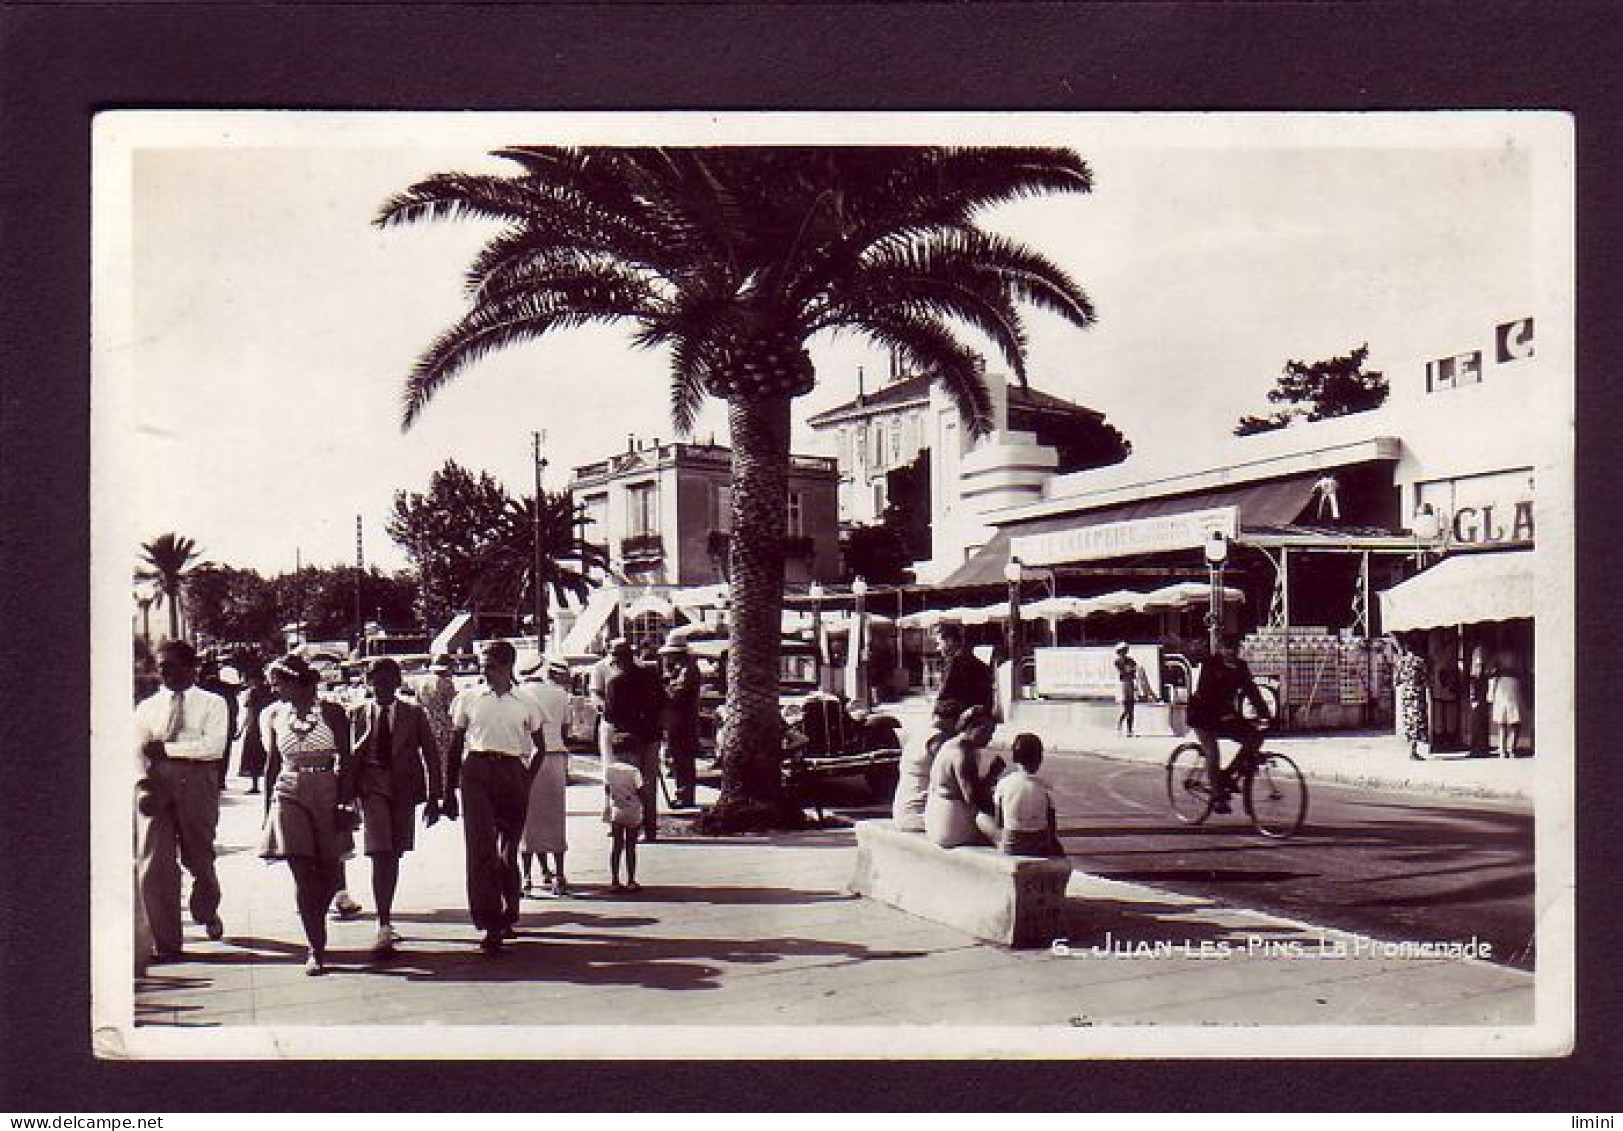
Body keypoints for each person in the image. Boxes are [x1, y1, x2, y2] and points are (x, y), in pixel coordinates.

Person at [444, 640, 548, 954]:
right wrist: (449, 790)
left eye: (489, 665)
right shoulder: (469, 697)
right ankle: (489, 924)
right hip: (476, 771)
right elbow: (455, 746)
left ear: (506, 667)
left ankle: (509, 911)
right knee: (480, 850)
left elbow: (541, 746)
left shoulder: (526, 701)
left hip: (512, 772)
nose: (483, 671)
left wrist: (526, 780)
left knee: (508, 850)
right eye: (482, 665)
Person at [133, 639, 231, 962]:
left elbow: (214, 746)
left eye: (174, 666)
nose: (167, 673)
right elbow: (137, 746)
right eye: (162, 668)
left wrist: (170, 750)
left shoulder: (212, 703)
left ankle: (207, 909)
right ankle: (168, 943)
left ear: (192, 667)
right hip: (156, 786)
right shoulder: (148, 708)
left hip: (197, 782)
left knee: (199, 858)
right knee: (155, 863)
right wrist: (143, 782)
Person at [258, 653, 355, 976]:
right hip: (288, 793)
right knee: (301, 872)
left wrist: (345, 802)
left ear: (298, 682)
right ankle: (316, 948)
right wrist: (265, 813)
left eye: (280, 683)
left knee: (328, 872)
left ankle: (316, 920)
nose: (275, 690)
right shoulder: (274, 715)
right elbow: (272, 763)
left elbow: (348, 760)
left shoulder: (332, 712)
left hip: (327, 789)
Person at [347, 658, 443, 955]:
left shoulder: (413, 713)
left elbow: (430, 753)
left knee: (395, 853)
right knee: (379, 852)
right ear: (368, 683)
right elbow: (348, 759)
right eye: (376, 682)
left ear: (398, 683)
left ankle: (386, 916)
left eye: (388, 682)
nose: (382, 688)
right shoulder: (357, 714)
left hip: (404, 790)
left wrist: (434, 797)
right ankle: (383, 922)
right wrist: (347, 798)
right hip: (372, 788)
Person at [1187, 635, 1273, 814]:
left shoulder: (1241, 667)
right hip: (1203, 714)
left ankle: (1227, 775)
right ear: (1220, 649)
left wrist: (1266, 714)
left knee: (1255, 737)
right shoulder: (1211, 665)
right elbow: (1208, 695)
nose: (1231, 652)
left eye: (1235, 648)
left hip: (1225, 714)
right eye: (1227, 648)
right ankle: (1217, 796)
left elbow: (1252, 691)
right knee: (1212, 752)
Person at [601, 638, 666, 843]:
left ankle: (632, 828)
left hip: (628, 739)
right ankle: (650, 829)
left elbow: (610, 715)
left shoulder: (615, 684)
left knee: (629, 786)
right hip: (651, 736)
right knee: (649, 785)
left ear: (618, 661)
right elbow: (663, 703)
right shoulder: (651, 677)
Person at [519, 658, 573, 897]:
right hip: (554, 758)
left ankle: (528, 877)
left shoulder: (519, 695)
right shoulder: (560, 694)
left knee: (527, 818)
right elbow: (565, 730)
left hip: (527, 759)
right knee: (554, 818)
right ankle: (559, 875)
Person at [923, 706, 1004, 848]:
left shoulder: (948, 745)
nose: (990, 738)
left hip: (934, 818)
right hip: (950, 825)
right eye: (986, 732)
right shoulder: (962, 754)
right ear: (972, 727)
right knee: (998, 833)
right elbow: (974, 800)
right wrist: (993, 774)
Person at [892, 697, 961, 832]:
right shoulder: (938, 739)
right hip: (918, 813)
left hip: (904, 810)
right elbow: (952, 777)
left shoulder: (920, 733)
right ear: (954, 721)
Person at [994, 733, 1063, 857]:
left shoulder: (1003, 783)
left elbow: (999, 822)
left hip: (1012, 846)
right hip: (1039, 846)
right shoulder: (1045, 786)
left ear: (1014, 758)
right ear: (1040, 759)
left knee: (981, 817)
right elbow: (1052, 825)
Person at [659, 636, 703, 809]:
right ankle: (683, 792)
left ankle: (685, 795)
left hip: (683, 721)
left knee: (683, 758)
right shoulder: (680, 669)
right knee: (679, 758)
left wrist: (663, 689)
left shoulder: (688, 670)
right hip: (678, 720)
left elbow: (677, 694)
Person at [602, 753, 644, 893]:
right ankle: (631, 881)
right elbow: (640, 790)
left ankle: (614, 881)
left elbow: (607, 788)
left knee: (616, 846)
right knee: (631, 847)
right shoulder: (634, 771)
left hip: (616, 810)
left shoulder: (610, 769)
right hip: (632, 810)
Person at [933, 623, 995, 716]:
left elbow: (943, 695)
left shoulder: (956, 662)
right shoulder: (969, 658)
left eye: (939, 644)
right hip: (982, 710)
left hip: (969, 712)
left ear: (949, 641)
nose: (938, 648)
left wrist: (936, 708)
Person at [412, 653, 460, 758]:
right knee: (445, 761)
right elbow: (452, 707)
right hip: (443, 728)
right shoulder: (446, 683)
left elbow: (418, 704)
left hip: (426, 726)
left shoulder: (421, 683)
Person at [236, 665, 274, 794]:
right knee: (270, 756)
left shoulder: (252, 693)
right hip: (269, 725)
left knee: (253, 757)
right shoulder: (271, 692)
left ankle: (255, 785)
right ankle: (271, 784)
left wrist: (241, 729)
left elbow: (249, 713)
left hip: (255, 727)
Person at [1392, 634, 1430, 762]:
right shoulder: (1420, 661)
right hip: (1417, 694)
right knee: (1417, 721)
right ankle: (1413, 751)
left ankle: (1411, 750)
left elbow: (1396, 681)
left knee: (1409, 721)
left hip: (1406, 694)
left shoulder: (1401, 662)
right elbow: (1426, 680)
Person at [1490, 651, 1525, 758]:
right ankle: (1511, 749)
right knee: (1514, 721)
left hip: (1502, 685)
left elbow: (1491, 671)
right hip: (1513, 684)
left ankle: (1503, 750)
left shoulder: (1497, 655)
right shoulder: (1517, 656)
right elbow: (1522, 671)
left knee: (1502, 722)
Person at [1113, 642, 1151, 738]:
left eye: (1126, 650)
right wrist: (1131, 669)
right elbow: (1125, 670)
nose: (1126, 652)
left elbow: (1135, 669)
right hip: (1124, 685)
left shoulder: (1130, 660)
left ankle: (1130, 730)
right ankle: (1120, 724)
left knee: (1131, 709)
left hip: (1130, 683)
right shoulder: (1118, 661)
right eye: (1124, 650)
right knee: (1127, 709)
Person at [1430, 644, 1463, 751]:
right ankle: (1445, 738)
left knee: (1445, 715)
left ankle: (1445, 738)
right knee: (1445, 715)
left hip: (1444, 688)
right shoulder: (1448, 653)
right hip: (1444, 688)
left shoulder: (1444, 655)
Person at [1466, 645, 1493, 756]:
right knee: (1480, 721)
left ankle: (1478, 748)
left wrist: (1473, 696)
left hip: (1479, 691)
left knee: (1477, 722)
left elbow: (1478, 669)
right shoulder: (1483, 650)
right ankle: (1481, 747)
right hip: (1481, 690)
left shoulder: (1479, 650)